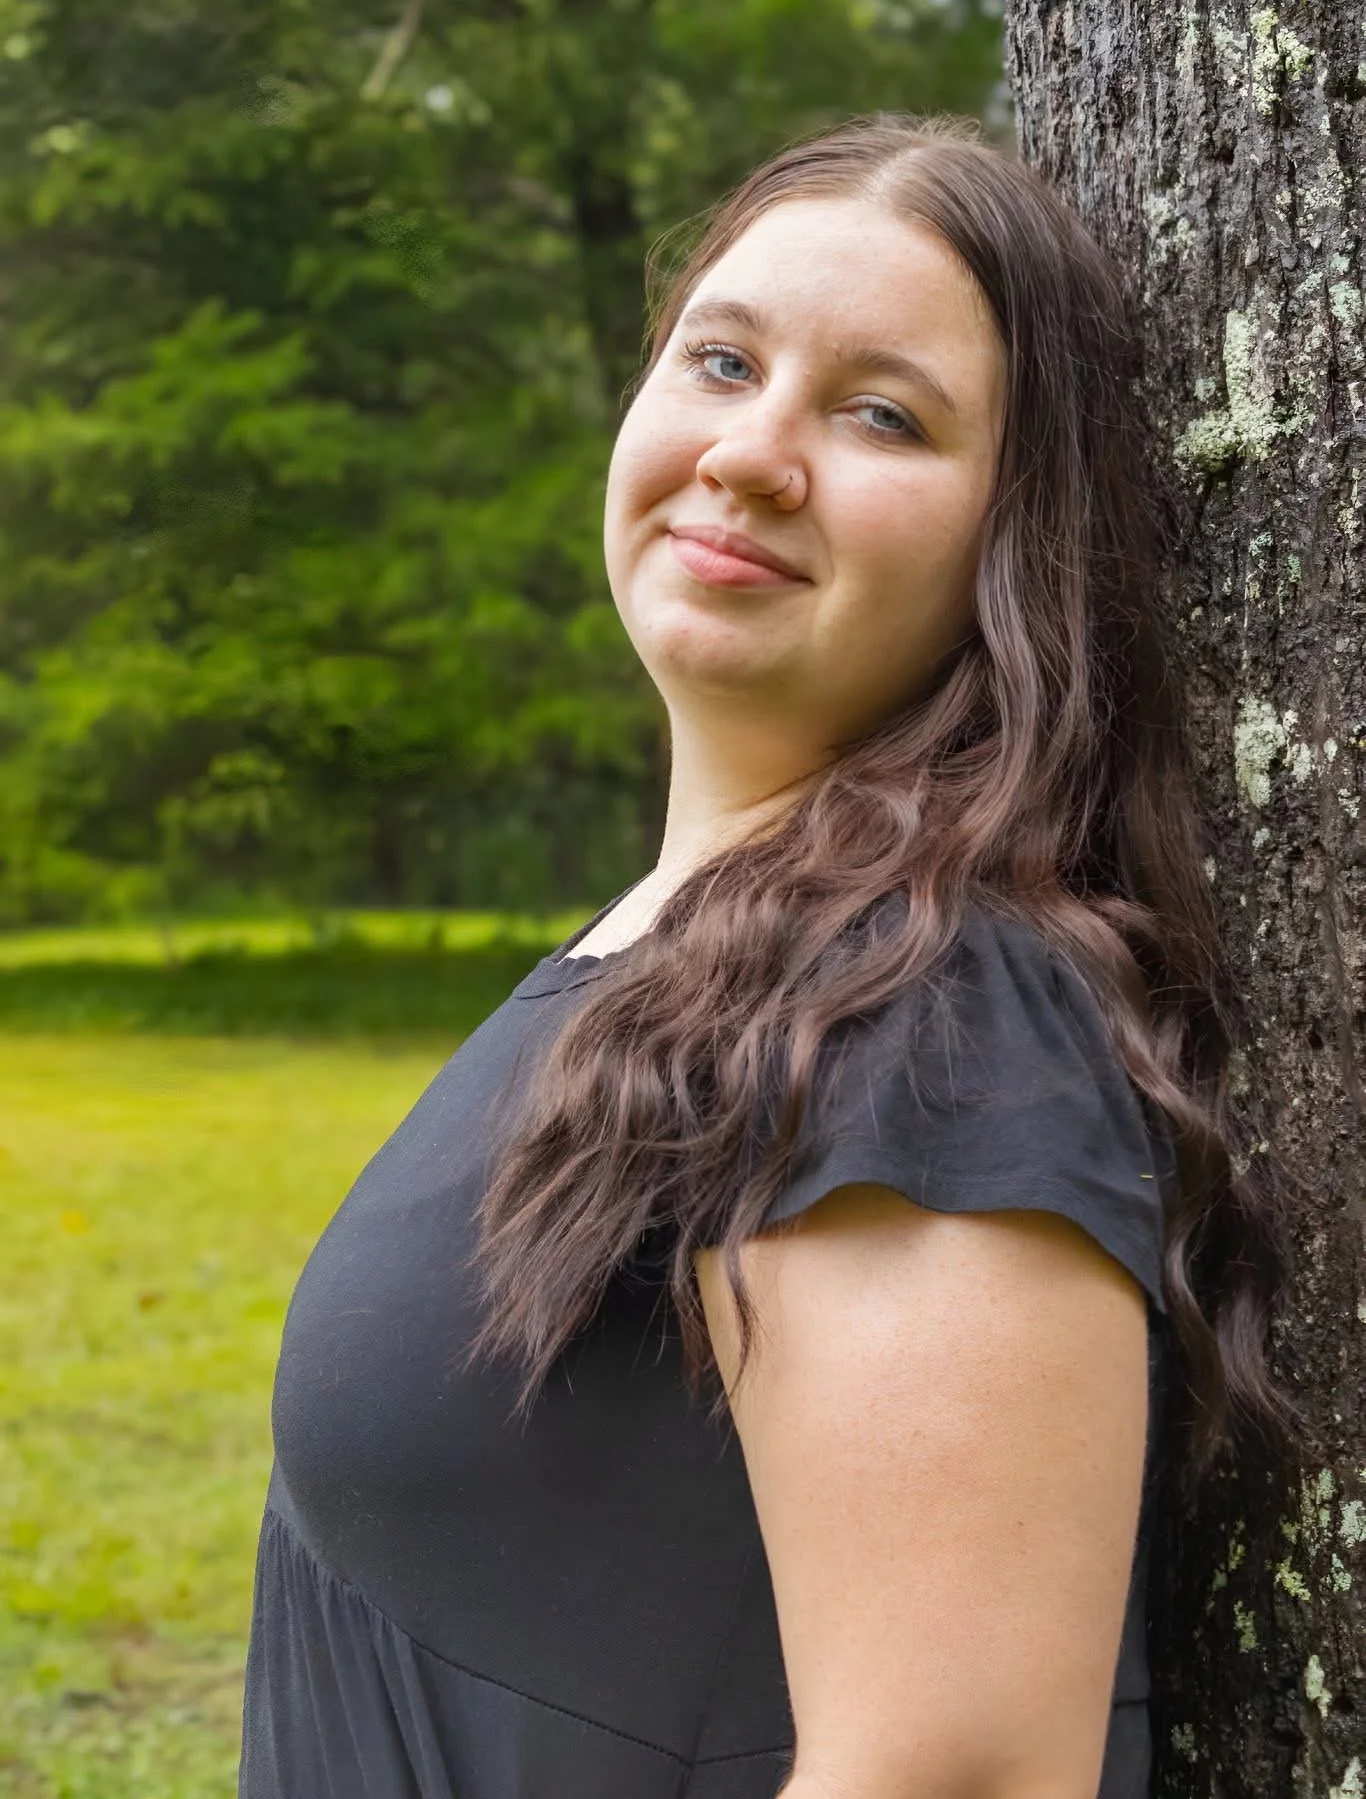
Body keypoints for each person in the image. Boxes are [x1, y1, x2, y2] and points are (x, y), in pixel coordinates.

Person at [237, 113, 1293, 1799]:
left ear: (1014, 548)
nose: (749, 454)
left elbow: (957, 1777)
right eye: (720, 360)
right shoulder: (691, 948)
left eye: (882, 414)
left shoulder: (921, 1023)